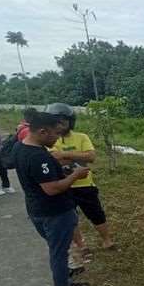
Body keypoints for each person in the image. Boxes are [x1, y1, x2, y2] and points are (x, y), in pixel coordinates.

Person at [13, 109, 90, 286]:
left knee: (57, 246)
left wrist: (61, 170)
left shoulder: (21, 147)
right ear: (42, 132)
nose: (57, 138)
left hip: (37, 209)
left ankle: (63, 272)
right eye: (55, 133)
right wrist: (75, 175)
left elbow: (39, 179)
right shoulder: (37, 156)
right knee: (59, 250)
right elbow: (52, 188)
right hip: (54, 212)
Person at [45, 103, 115, 254]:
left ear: (70, 121)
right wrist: (77, 156)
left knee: (96, 214)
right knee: (71, 219)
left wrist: (64, 155)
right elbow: (53, 160)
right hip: (64, 186)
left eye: (63, 121)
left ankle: (107, 240)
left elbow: (91, 157)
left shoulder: (82, 137)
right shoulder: (50, 140)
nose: (60, 125)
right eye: (56, 121)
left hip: (85, 184)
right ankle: (81, 245)